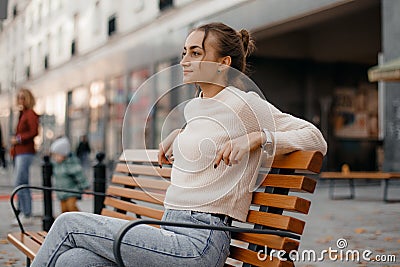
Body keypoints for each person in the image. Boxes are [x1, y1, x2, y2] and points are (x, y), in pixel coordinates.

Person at [32, 22, 327, 266]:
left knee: (69, 223)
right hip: (170, 232)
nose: (184, 61)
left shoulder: (246, 105)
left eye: (196, 53)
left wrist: (259, 138)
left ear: (224, 64)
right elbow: (212, 134)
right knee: (75, 260)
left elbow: (315, 138)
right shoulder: (198, 105)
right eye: (184, 52)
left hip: (199, 244)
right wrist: (181, 134)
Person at [10, 88, 39, 226]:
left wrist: (19, 139)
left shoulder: (31, 114)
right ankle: (23, 212)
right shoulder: (22, 114)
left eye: (23, 97)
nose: (20, 100)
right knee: (21, 182)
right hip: (18, 152)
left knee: (20, 182)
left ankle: (26, 213)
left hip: (25, 152)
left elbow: (34, 132)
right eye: (19, 97)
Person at [50, 137, 90, 213]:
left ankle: (80, 221)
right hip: (61, 192)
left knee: (71, 207)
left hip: (72, 191)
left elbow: (79, 175)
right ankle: (68, 224)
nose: (55, 158)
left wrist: (85, 186)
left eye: (57, 155)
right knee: (64, 210)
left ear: (64, 154)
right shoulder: (56, 165)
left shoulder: (70, 164)